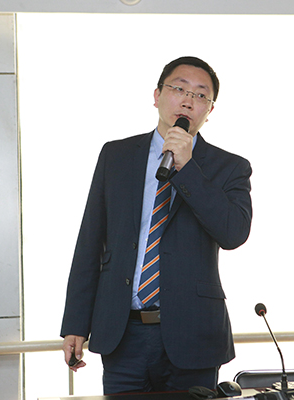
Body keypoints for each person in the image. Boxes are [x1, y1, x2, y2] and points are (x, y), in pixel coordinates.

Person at [60, 56, 252, 394]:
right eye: (179, 89)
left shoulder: (229, 167)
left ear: (209, 110)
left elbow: (233, 233)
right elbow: (90, 241)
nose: (188, 100)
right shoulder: (116, 156)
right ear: (157, 95)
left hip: (194, 334)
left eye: (201, 95)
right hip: (122, 332)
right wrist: (75, 323)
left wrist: (188, 168)